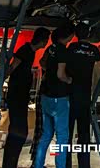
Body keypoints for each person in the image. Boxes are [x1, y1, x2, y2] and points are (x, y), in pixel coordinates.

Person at [2, 27, 50, 168]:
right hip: (16, 95)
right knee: (18, 131)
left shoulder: (31, 52)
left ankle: (10, 163)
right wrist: (0, 82)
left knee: (20, 131)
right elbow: (13, 66)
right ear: (42, 40)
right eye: (46, 39)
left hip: (21, 96)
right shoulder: (25, 50)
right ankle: (9, 164)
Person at [32, 24, 75, 168]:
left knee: (46, 135)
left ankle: (38, 165)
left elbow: (42, 62)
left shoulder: (51, 48)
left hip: (46, 96)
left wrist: (49, 71)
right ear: (68, 36)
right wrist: (69, 80)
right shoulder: (63, 50)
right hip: (59, 97)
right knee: (62, 137)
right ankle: (60, 166)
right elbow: (60, 74)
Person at [66, 24, 100, 168]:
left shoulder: (72, 47)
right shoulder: (93, 50)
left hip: (70, 95)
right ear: (88, 34)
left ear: (76, 35)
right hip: (85, 95)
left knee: (67, 133)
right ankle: (84, 164)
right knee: (84, 134)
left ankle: (66, 164)